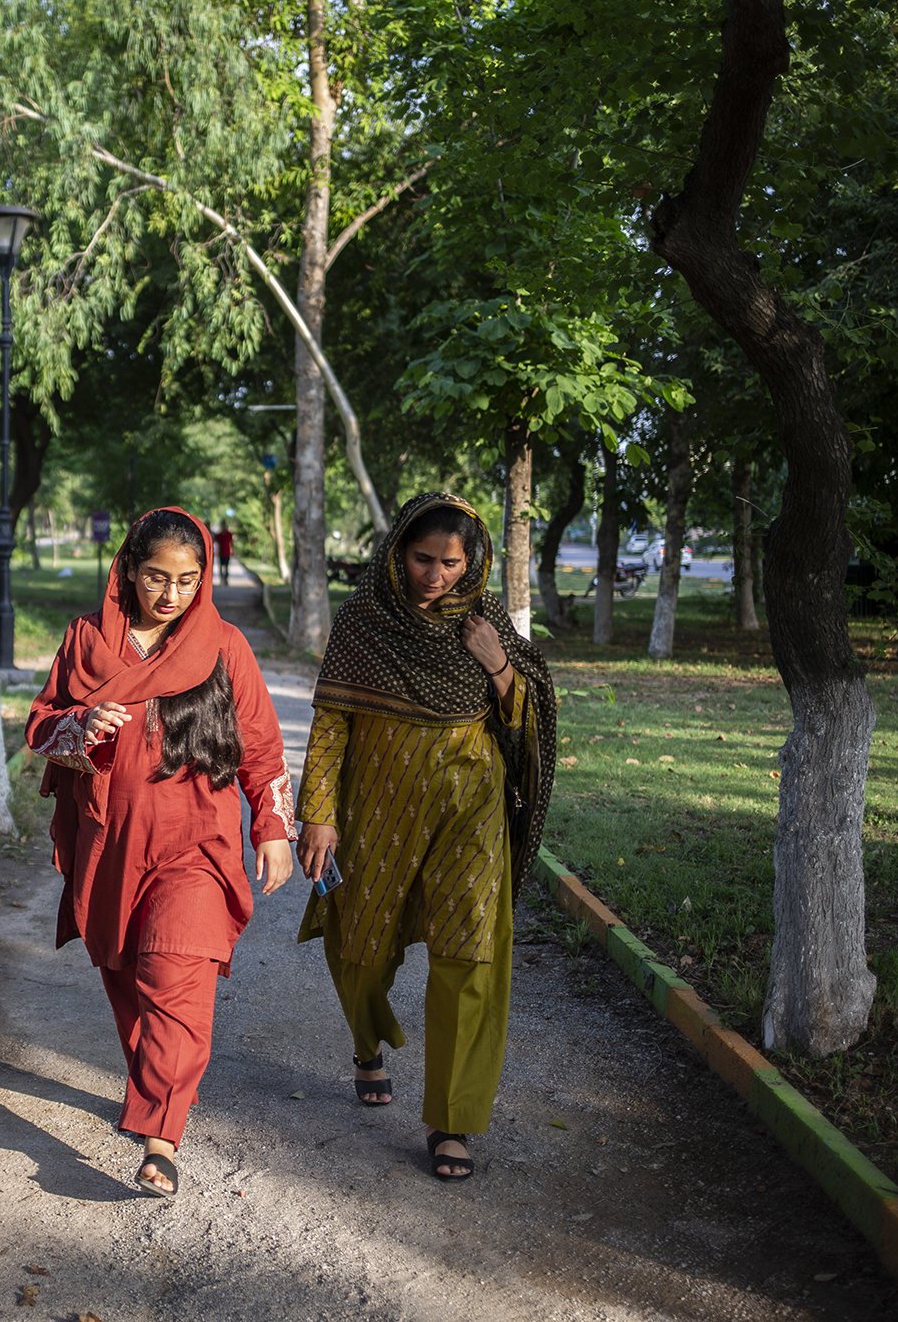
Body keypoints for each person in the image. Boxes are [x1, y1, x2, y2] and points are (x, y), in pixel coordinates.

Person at [27, 507, 297, 1199]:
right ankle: (161, 1086)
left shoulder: (223, 645)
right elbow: (41, 727)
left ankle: (159, 1137)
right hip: (110, 842)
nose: (171, 594)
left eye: (187, 578)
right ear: (128, 571)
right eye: (156, 577)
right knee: (129, 973)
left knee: (177, 971)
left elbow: (261, 747)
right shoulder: (86, 641)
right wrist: (80, 725)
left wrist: (271, 828)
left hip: (196, 844)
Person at [295, 491, 558, 1181]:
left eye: (450, 562)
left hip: (469, 809)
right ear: (397, 553)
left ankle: (452, 1119)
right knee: (360, 946)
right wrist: (318, 812)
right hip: (375, 807)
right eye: (421, 559)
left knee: (470, 955)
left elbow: (531, 716)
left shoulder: (484, 621)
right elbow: (330, 725)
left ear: (471, 563)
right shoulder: (363, 622)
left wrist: (498, 662)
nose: (434, 575)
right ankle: (366, 1041)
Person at [212, 521, 236, 585]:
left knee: (226, 567)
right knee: (220, 567)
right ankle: (221, 579)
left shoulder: (229, 534)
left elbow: (232, 543)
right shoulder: (219, 535)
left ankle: (226, 579)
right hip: (220, 553)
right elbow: (214, 542)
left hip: (227, 552)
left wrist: (232, 551)